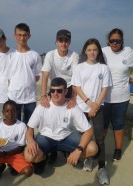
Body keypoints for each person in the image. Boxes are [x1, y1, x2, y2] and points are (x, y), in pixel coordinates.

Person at [24, 77, 98, 175]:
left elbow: (89, 130)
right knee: (29, 155)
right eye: (52, 90)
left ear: (66, 91)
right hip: (46, 138)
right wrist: (31, 141)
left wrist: (78, 150)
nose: (55, 93)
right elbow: (29, 129)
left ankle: (71, 154)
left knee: (93, 148)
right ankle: (43, 158)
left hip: (66, 137)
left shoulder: (72, 106)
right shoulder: (42, 106)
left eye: (59, 91)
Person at [71, 38, 112, 185]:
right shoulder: (79, 67)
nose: (92, 52)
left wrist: (96, 106)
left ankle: (101, 168)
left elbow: (104, 88)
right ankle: (88, 159)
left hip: (98, 108)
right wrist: (89, 103)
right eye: (89, 50)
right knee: (85, 137)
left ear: (98, 51)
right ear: (85, 52)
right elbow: (77, 88)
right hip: (82, 108)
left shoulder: (103, 68)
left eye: (95, 49)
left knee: (100, 138)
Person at [102, 28, 133, 161]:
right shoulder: (103, 51)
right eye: (112, 40)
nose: (115, 43)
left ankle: (118, 150)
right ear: (108, 41)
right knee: (103, 125)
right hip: (104, 97)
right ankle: (100, 149)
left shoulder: (128, 52)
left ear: (122, 41)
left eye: (118, 41)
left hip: (122, 98)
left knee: (118, 125)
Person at [40, 29, 79, 163]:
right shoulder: (50, 55)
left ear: (70, 42)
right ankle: (52, 150)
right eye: (61, 40)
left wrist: (73, 98)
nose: (63, 43)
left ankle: (67, 148)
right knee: (52, 117)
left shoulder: (74, 56)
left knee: (69, 118)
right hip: (55, 88)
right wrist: (44, 95)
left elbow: (76, 77)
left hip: (68, 88)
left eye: (66, 40)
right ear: (56, 41)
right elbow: (45, 76)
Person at [7, 23, 42, 123]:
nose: (22, 38)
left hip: (30, 98)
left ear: (29, 36)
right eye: (19, 35)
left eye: (25, 35)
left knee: (29, 125)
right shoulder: (10, 55)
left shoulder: (35, 55)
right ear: (15, 36)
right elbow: (9, 77)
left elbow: (37, 76)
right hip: (14, 97)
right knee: (14, 124)